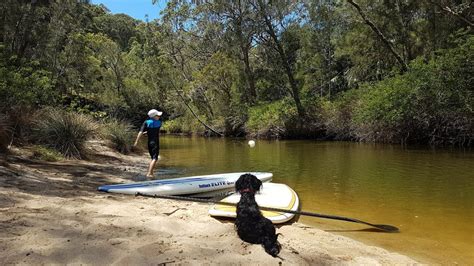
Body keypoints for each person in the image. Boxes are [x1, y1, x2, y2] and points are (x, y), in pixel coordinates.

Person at [133, 109, 163, 178]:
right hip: (155, 143)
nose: (159, 116)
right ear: (154, 116)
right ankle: (149, 173)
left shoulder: (146, 122)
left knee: (152, 157)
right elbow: (156, 131)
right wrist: (148, 132)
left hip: (150, 143)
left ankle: (151, 172)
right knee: (155, 158)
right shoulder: (159, 122)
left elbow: (141, 132)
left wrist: (136, 141)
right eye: (158, 115)